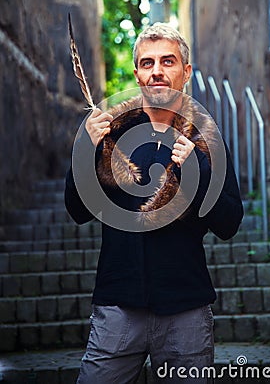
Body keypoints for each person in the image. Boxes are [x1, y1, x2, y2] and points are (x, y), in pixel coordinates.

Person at [65, 22, 244, 383]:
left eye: (168, 61)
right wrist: (86, 147)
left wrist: (200, 170)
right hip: (117, 306)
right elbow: (77, 210)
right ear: (137, 73)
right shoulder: (109, 134)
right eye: (147, 63)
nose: (157, 71)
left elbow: (229, 224)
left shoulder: (205, 139)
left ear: (186, 72)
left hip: (186, 310)